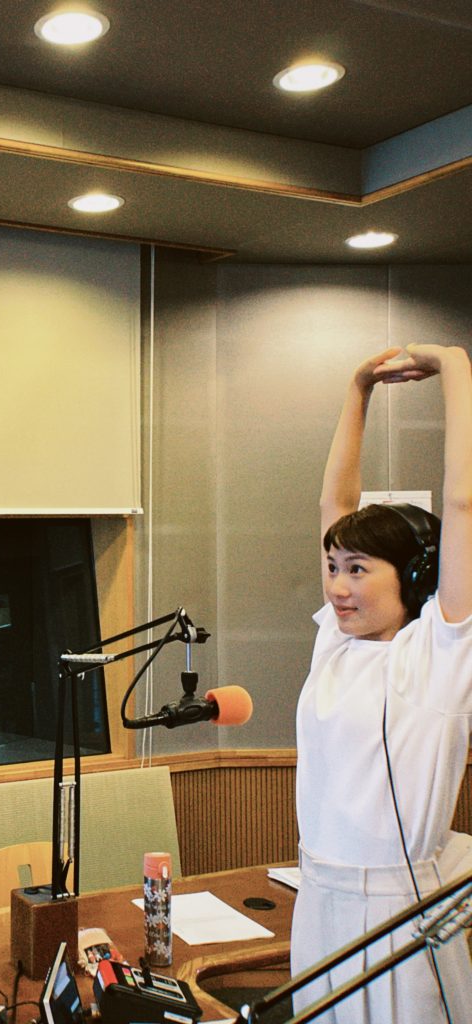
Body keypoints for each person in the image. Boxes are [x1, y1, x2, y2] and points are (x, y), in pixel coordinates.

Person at [292, 344, 472, 1023]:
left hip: (400, 912)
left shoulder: (440, 652)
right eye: (333, 566)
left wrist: (454, 365)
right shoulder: (336, 642)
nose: (337, 586)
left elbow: (463, 501)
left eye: (359, 569)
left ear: (415, 576)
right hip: (318, 899)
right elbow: (333, 501)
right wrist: (358, 387)